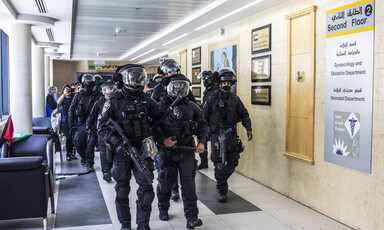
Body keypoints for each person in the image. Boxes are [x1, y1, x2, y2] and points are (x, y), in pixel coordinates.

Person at [98, 64, 160, 230]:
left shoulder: (147, 100)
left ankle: (143, 225)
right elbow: (102, 128)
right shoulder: (114, 101)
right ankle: (125, 225)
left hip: (143, 151)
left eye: (139, 78)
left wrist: (160, 139)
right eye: (133, 78)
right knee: (122, 190)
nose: (136, 82)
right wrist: (118, 143)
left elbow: (160, 120)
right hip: (121, 153)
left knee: (147, 191)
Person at [155, 74, 208, 229]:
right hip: (166, 152)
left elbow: (203, 125)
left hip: (187, 150)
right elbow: (151, 128)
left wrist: (202, 142)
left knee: (189, 184)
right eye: (175, 85)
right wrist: (162, 141)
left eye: (182, 85)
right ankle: (163, 208)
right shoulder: (160, 106)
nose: (179, 88)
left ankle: (192, 217)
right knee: (165, 182)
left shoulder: (192, 106)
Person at [202, 67, 253, 202]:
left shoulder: (235, 99)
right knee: (219, 164)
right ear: (219, 83)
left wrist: (248, 128)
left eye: (229, 83)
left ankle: (221, 179)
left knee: (233, 162)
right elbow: (204, 117)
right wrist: (203, 136)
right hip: (216, 135)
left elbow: (244, 114)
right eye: (224, 83)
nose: (227, 85)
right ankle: (222, 190)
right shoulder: (212, 98)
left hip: (231, 135)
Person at [86, 80, 116, 182]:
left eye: (111, 88)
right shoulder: (98, 102)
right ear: (104, 90)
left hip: (115, 131)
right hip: (102, 130)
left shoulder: (116, 101)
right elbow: (92, 116)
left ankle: (112, 169)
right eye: (108, 88)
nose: (110, 90)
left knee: (114, 151)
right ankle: (105, 171)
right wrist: (88, 126)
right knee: (103, 151)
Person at [68, 74, 100, 171]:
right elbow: (71, 110)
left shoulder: (97, 95)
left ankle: (89, 163)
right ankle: (84, 158)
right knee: (78, 143)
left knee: (90, 144)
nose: (87, 84)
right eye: (86, 82)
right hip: (80, 123)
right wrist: (71, 124)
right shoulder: (78, 96)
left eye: (90, 82)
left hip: (92, 123)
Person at [196, 70, 220, 170]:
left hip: (212, 122)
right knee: (203, 141)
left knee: (213, 143)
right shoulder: (208, 91)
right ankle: (204, 162)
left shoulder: (214, 92)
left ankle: (216, 164)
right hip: (207, 121)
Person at [57, 85, 76, 161]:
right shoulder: (63, 98)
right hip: (64, 122)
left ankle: (71, 152)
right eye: (66, 89)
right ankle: (68, 153)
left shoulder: (73, 98)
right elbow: (58, 103)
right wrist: (64, 94)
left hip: (73, 121)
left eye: (69, 90)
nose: (68, 91)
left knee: (72, 138)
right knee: (68, 137)